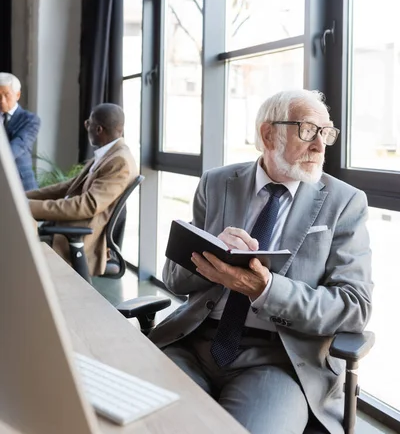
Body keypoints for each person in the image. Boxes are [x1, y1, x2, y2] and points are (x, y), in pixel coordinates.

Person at [149, 89, 373, 434]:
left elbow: (354, 307)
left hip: (279, 360)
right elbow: (175, 280)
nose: (320, 146)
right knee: (142, 420)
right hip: (193, 343)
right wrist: (209, 253)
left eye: (325, 133)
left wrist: (265, 289)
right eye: (308, 130)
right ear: (269, 134)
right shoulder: (217, 183)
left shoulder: (345, 202)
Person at [26, 103, 138, 276]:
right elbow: (67, 187)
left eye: (88, 123)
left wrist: (25, 206)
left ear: (99, 129)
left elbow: (86, 205)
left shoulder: (119, 161)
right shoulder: (109, 154)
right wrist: (21, 197)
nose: (87, 127)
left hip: (79, 240)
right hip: (64, 228)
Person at [0, 72, 41, 191]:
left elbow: (18, 145)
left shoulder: (30, 120)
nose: (2, 101)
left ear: (17, 95)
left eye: (7, 95)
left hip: (21, 183)